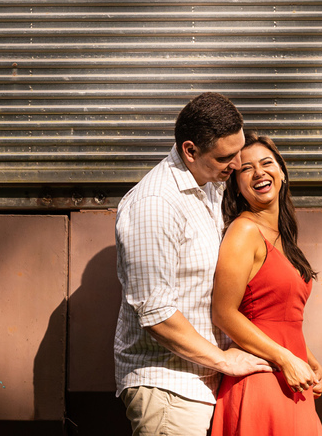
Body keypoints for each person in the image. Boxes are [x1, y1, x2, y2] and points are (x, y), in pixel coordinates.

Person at [114, 92, 272, 436]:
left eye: (239, 150)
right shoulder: (154, 205)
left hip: (207, 382)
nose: (236, 165)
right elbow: (156, 313)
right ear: (190, 150)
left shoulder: (209, 182)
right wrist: (224, 359)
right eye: (226, 157)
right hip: (171, 388)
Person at [210, 132, 322, 436]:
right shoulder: (244, 231)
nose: (259, 172)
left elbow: (280, 316)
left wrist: (309, 359)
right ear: (236, 185)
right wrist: (286, 358)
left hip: (291, 376)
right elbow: (224, 313)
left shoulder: (284, 238)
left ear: (282, 172)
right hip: (262, 379)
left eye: (266, 163)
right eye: (246, 169)